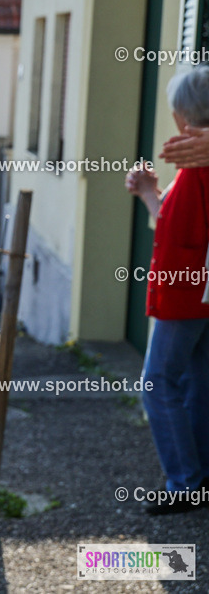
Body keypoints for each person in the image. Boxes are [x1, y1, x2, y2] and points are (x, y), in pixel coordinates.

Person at [125, 66, 209, 515]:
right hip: (196, 294)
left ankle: (185, 483)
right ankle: (198, 477)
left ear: (182, 116)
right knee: (197, 383)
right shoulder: (196, 165)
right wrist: (149, 193)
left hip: (185, 296)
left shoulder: (198, 165)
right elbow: (179, 226)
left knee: (158, 384)